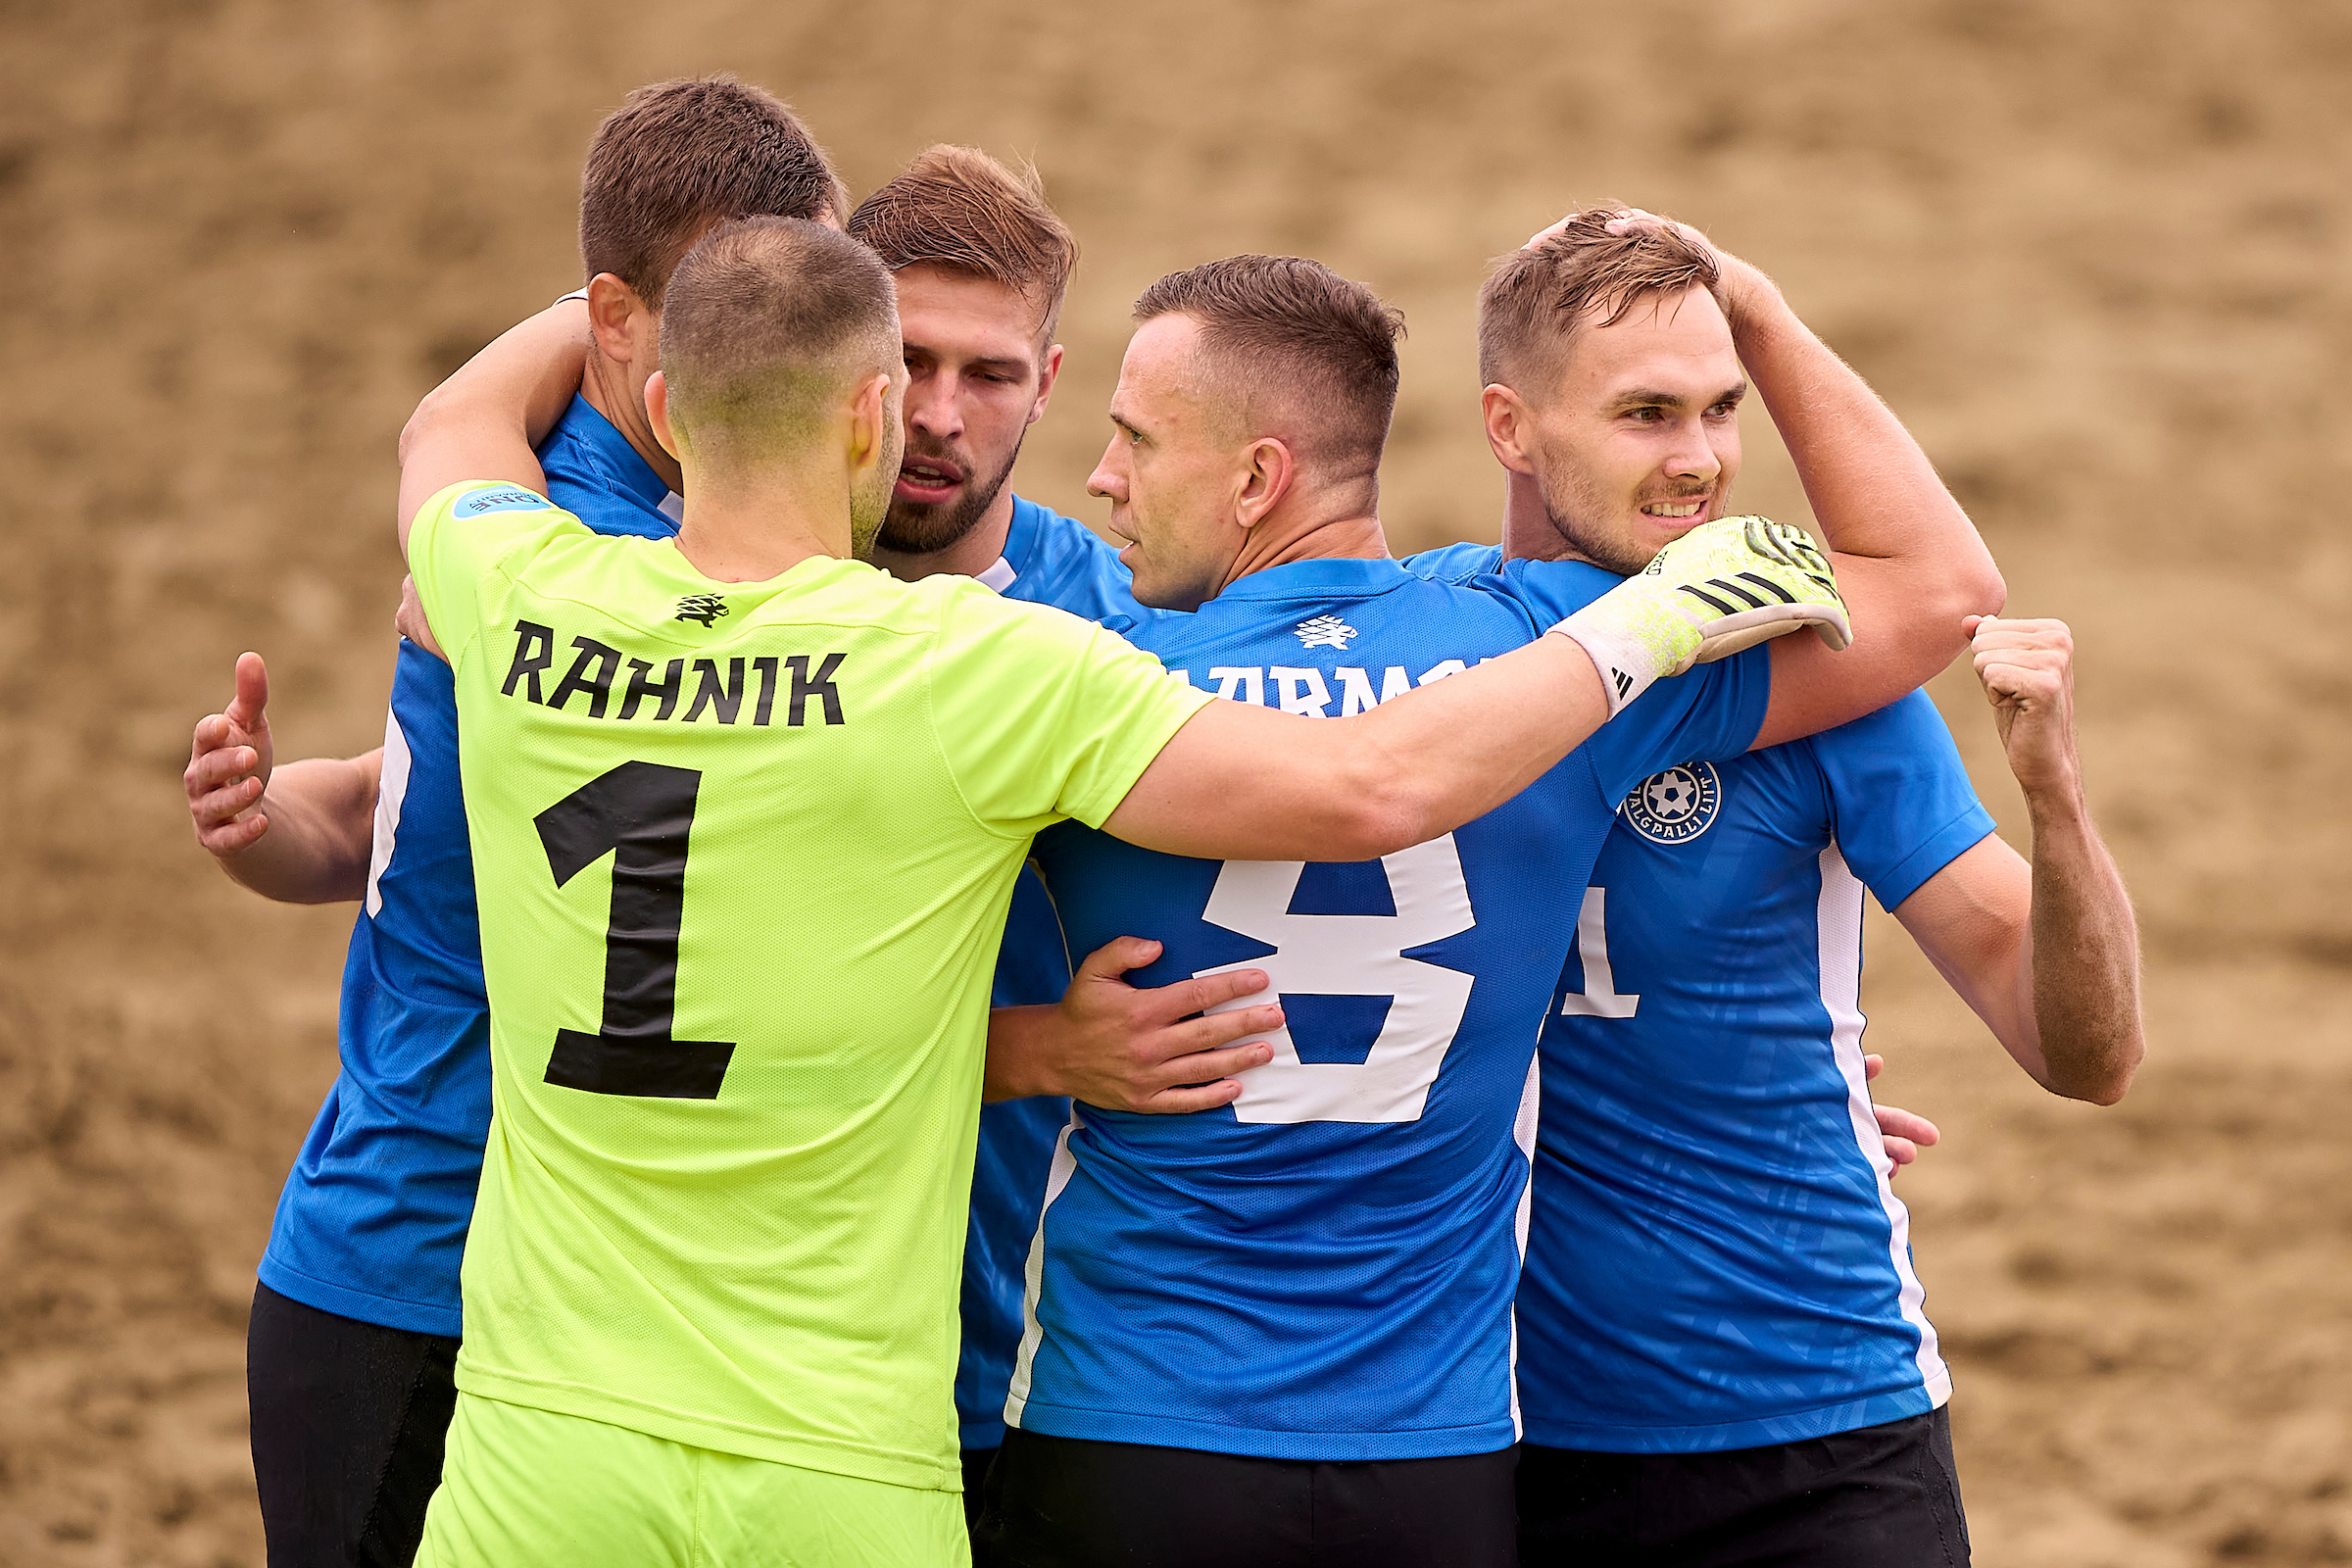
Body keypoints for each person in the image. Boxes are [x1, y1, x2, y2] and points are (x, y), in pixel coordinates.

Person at [392, 215, 1849, 1565]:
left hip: (545, 1443)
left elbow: (446, 430)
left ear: (663, 406)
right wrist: (1644, 627)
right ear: (871, 415)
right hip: (837, 1462)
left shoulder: (515, 591)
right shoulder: (969, 669)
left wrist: (678, 295)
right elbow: (1369, 785)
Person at [975, 245, 2000, 1567]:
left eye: (1132, 439)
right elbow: (1941, 589)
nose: (1104, 477)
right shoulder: (1551, 651)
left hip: (1132, 1421)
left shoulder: (1087, 676)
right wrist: (1746, 302)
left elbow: (815, 998)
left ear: (1256, 477)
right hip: (1432, 1460)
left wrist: (1037, 1049)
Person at [177, 76, 857, 1568]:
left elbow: (423, 813)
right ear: (618, 322)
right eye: (726, 307)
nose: (779, 345)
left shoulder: (504, 529)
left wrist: (287, 814)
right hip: (423, 1273)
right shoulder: (600, 561)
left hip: (554, 1298)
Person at [1419, 208, 2144, 1567]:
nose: (1699, 460)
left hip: (1820, 1427)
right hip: (1497, 1435)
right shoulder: (1430, 652)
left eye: (1721, 408)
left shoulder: (1816, 672)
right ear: (1508, 427)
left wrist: (2056, 804)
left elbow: (2084, 1056)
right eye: (1646, 414)